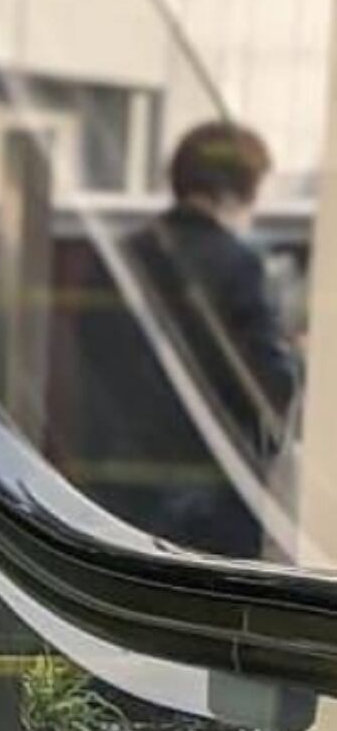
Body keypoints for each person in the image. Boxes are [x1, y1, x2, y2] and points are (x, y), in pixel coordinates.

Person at [116, 120, 302, 556]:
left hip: (120, 488)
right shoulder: (240, 265)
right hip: (207, 501)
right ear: (238, 192)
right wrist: (299, 358)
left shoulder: (126, 253)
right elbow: (266, 388)